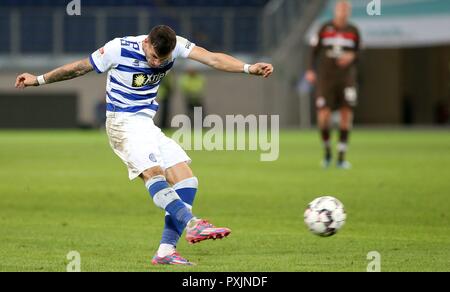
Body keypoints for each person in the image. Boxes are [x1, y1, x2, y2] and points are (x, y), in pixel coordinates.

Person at [15, 25, 273, 266]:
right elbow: (80, 67)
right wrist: (38, 79)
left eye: (163, 59)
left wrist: (249, 68)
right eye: (153, 55)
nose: (157, 62)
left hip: (146, 124)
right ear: (146, 42)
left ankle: (166, 252)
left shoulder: (176, 45)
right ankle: (193, 223)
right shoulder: (118, 48)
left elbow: (212, 58)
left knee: (186, 180)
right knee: (154, 173)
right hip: (122, 124)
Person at [305, 0, 361, 169]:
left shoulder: (353, 31)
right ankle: (328, 152)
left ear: (349, 12)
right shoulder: (324, 28)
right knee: (323, 116)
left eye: (346, 9)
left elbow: (359, 53)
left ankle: (342, 158)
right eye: (340, 9)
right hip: (326, 79)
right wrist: (310, 70)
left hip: (346, 79)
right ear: (335, 11)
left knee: (346, 116)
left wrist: (352, 56)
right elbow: (313, 51)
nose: (343, 12)